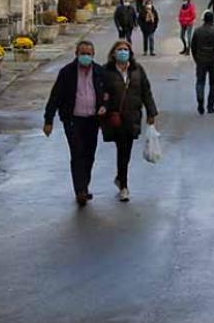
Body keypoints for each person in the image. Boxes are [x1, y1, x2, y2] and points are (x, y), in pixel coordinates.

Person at [43, 40, 108, 207]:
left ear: (93, 55)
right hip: (73, 120)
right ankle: (80, 190)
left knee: (89, 154)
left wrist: (104, 107)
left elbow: (107, 95)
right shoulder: (67, 72)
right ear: (76, 54)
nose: (85, 56)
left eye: (88, 53)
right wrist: (48, 120)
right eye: (82, 53)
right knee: (77, 153)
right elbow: (55, 96)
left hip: (92, 120)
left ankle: (84, 185)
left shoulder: (100, 72)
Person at [102, 40, 159, 202]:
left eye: (126, 49)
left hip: (132, 117)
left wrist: (151, 111)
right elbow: (101, 91)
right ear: (113, 53)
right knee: (122, 149)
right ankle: (124, 185)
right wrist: (103, 107)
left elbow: (146, 91)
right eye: (119, 49)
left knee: (125, 151)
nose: (123, 52)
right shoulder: (106, 71)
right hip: (114, 117)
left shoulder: (137, 70)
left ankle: (121, 178)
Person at [189, 11, 214, 114]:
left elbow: (193, 47)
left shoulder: (197, 31)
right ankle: (210, 106)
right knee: (213, 84)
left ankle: (200, 102)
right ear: (213, 19)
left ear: (204, 19)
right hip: (213, 60)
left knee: (200, 82)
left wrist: (196, 59)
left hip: (201, 60)